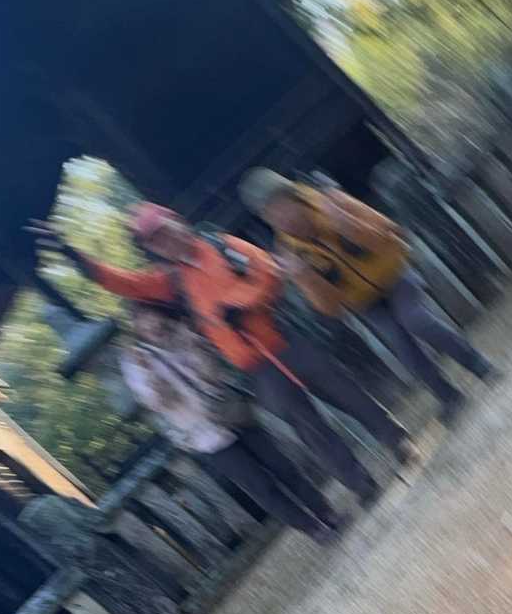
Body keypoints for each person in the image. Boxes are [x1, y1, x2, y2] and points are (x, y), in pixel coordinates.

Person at [30, 206, 415, 506]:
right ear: (153, 250)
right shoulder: (171, 282)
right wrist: (72, 255)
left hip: (284, 339)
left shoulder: (220, 244)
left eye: (165, 231)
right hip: (254, 367)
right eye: (156, 242)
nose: (165, 242)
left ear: (178, 223)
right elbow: (124, 283)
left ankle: (394, 438)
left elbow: (267, 270)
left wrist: (239, 302)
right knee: (309, 427)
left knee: (344, 391)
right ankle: (359, 483)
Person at [237, 169, 497, 424]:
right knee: (400, 344)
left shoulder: (330, 200)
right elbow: (331, 309)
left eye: (281, 207)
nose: (282, 218)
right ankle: (448, 396)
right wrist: (307, 278)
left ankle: (478, 364)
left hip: (393, 273)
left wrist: (346, 223)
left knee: (416, 319)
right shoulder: (289, 253)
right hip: (364, 301)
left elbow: (387, 231)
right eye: (271, 215)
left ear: (293, 196)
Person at [120, 303, 347, 544]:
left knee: (283, 466)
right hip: (203, 434)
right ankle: (312, 528)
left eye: (150, 316)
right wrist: (150, 374)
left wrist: (195, 347)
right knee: (260, 487)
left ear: (159, 314)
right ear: (136, 328)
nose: (150, 324)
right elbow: (159, 403)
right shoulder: (135, 362)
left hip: (231, 411)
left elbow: (214, 373)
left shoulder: (182, 332)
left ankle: (325, 512)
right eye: (142, 321)